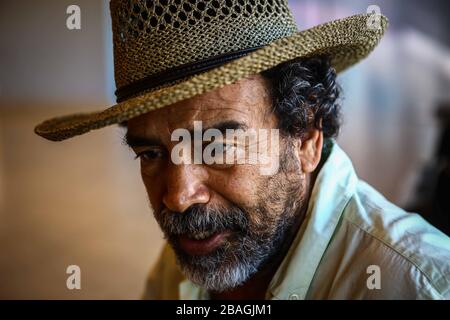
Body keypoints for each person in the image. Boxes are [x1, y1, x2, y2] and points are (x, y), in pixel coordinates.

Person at [35, 0, 450, 299]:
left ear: (306, 136)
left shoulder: (418, 285)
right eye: (152, 154)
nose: (178, 197)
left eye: (216, 144)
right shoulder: (194, 254)